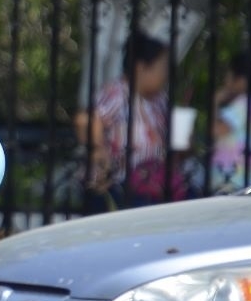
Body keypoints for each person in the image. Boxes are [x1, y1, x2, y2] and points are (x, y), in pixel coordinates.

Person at [75, 31, 182, 210]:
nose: (166, 75)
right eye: (162, 68)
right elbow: (86, 120)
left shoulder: (160, 100)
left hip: (151, 185)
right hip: (115, 185)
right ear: (141, 68)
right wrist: (98, 151)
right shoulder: (117, 93)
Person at [210, 46, 251, 191]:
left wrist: (215, 101)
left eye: (228, 74)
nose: (226, 80)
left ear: (241, 79)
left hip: (230, 177)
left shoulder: (244, 104)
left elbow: (216, 130)